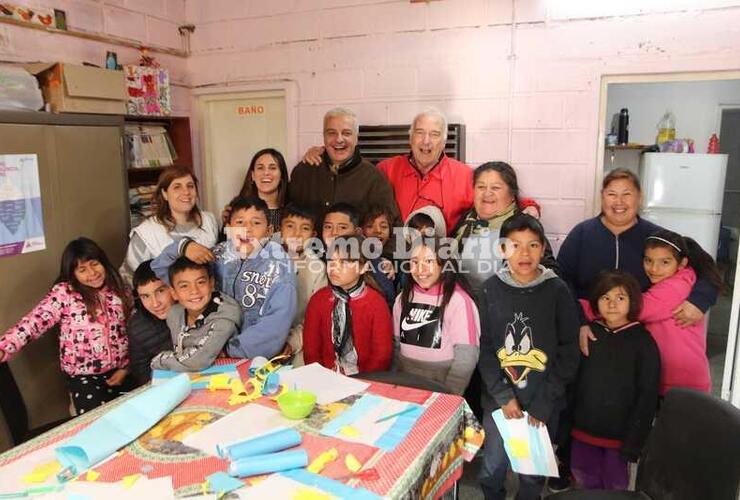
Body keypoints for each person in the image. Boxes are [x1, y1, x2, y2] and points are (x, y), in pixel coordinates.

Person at [553, 168, 719, 492]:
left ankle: (637, 477)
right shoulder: (582, 234)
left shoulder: (656, 236)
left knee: (635, 407)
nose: (619, 202)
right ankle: (574, 470)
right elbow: (562, 280)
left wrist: (700, 299)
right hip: (594, 334)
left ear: (639, 197)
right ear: (601, 197)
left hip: (637, 339)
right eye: (611, 194)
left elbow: (706, 268)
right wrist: (582, 320)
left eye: (626, 194)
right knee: (588, 398)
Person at [478, 214, 580, 500]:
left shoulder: (557, 290)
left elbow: (569, 352)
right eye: (515, 245)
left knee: (532, 475)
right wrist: (502, 395)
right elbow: (485, 349)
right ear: (502, 250)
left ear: (544, 248)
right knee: (492, 468)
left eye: (533, 245)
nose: (524, 253)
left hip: (542, 404)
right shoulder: (489, 289)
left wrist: (544, 402)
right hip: (500, 403)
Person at [153, 196, 297, 360]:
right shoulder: (217, 254)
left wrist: (231, 351)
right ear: (228, 228)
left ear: (269, 231)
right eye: (240, 223)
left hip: (255, 358)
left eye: (256, 223)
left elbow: (277, 323)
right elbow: (162, 270)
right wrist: (182, 247)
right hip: (208, 350)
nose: (247, 229)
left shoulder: (280, 266)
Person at [0, 238, 132, 415]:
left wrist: (126, 367)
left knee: (131, 416)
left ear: (103, 262)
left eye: (95, 264)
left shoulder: (120, 290)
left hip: (121, 370)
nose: (92, 273)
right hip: (83, 375)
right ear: (73, 273)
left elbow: (132, 330)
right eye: (82, 269)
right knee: (98, 422)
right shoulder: (64, 293)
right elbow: (34, 322)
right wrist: (4, 346)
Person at [571, 271, 660, 490]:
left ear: (633, 301)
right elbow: (572, 381)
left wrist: (635, 441)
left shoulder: (643, 342)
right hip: (582, 430)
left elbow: (647, 394)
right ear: (596, 302)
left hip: (619, 437)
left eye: (620, 298)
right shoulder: (588, 334)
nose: (612, 304)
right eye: (605, 298)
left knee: (615, 487)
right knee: (584, 481)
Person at [453, 161, 558, 293]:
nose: (487, 193)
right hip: (465, 305)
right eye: (481, 187)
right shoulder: (465, 221)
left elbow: (550, 274)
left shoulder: (522, 226)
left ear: (512, 195)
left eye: (495, 188)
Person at [393, 236, 479, 395]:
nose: (420, 269)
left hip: (442, 387)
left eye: (429, 261)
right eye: (415, 262)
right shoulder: (402, 299)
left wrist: (451, 394)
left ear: (443, 265)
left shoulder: (458, 301)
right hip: (405, 383)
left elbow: (466, 357)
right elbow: (396, 345)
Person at [640, 230, 721, 395]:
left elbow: (631, 309)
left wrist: (580, 307)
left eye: (665, 262)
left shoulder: (675, 287)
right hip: (679, 379)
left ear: (682, 263)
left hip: (682, 382)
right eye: (648, 260)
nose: (654, 269)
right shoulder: (683, 279)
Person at [288, 107, 399, 225]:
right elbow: (286, 220)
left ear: (356, 138)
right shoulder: (303, 172)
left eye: (346, 133)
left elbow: (393, 228)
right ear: (324, 137)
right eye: (332, 133)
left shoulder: (375, 179)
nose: (339, 139)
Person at [303, 235, 393, 374]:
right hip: (325, 379)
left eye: (344, 262)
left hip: (367, 381)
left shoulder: (376, 303)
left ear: (363, 268)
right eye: (331, 260)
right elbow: (311, 351)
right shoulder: (318, 300)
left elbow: (382, 356)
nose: (334, 267)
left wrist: (363, 383)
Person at [376, 108, 473, 234]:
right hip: (394, 249)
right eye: (420, 132)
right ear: (410, 139)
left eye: (434, 134)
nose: (426, 141)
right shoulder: (386, 170)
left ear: (444, 142)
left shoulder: (465, 176)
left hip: (445, 250)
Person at [122, 166, 218, 284]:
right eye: (177, 187)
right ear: (165, 194)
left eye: (190, 186)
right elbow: (130, 279)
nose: (186, 192)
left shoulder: (209, 220)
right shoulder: (146, 233)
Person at [151, 257, 241, 372]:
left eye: (200, 282)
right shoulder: (174, 314)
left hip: (226, 377)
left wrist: (158, 361)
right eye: (184, 286)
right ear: (173, 293)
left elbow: (197, 361)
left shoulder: (224, 318)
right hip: (189, 378)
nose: (194, 291)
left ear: (211, 283)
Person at [278, 204, 328, 366]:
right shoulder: (266, 259)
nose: (296, 234)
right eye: (290, 226)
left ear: (313, 235)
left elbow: (314, 317)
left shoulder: (318, 269)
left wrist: (292, 343)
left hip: (297, 344)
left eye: (304, 228)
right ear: (280, 231)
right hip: (263, 339)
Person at [322, 202, 396, 307]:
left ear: (357, 232)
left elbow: (388, 300)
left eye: (342, 227)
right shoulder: (314, 256)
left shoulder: (371, 260)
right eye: (328, 227)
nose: (334, 232)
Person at [128, 260, 176, 386]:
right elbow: (142, 373)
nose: (155, 303)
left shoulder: (194, 309)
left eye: (160, 291)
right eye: (145, 296)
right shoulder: (137, 328)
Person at [222, 148, 289, 231]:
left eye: (272, 168)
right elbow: (226, 242)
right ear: (253, 175)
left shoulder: (292, 211)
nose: (266, 173)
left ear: (282, 175)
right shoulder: (236, 208)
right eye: (260, 168)